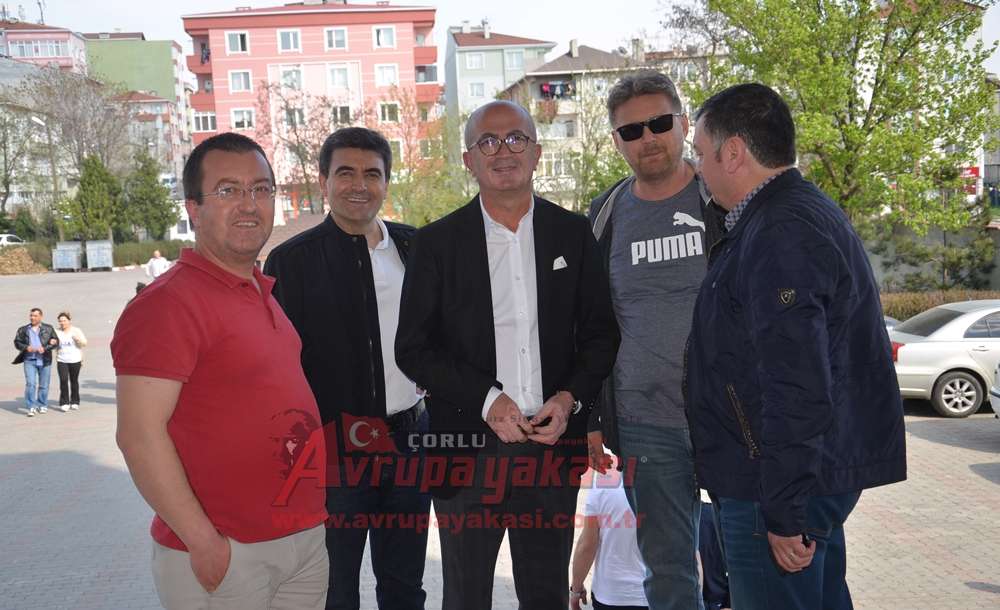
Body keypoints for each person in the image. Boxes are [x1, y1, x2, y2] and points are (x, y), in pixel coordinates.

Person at [686, 83, 906, 610]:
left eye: (700, 152)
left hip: (771, 489)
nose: (697, 168)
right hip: (790, 482)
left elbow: (797, 382)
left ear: (733, 152)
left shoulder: (780, 229)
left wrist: (784, 510)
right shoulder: (788, 215)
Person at [395, 100, 620, 610]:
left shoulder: (573, 233)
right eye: (488, 142)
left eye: (516, 138)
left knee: (545, 596)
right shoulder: (436, 243)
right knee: (466, 596)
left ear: (536, 153)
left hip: (550, 448)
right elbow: (413, 348)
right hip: (466, 451)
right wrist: (486, 399)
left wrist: (569, 399)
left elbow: (601, 335)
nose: (504, 151)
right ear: (469, 159)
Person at [111, 132, 329, 610]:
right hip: (229, 554)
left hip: (301, 540)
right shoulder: (167, 304)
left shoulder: (261, 291)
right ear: (193, 207)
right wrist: (203, 542)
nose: (249, 204)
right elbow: (138, 436)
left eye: (261, 189)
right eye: (228, 190)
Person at [264, 127, 430, 610]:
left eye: (372, 174)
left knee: (404, 588)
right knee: (334, 591)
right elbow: (277, 366)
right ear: (324, 181)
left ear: (386, 182)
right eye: (346, 173)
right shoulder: (291, 261)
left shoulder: (416, 248)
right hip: (334, 454)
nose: (359, 185)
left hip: (409, 444)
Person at [586, 70, 725, 610]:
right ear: (617, 142)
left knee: (753, 561)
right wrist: (591, 416)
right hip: (644, 423)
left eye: (660, 123)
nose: (648, 138)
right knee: (667, 575)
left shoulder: (723, 200)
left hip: (731, 417)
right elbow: (589, 324)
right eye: (631, 130)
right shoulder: (604, 215)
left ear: (684, 124)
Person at [570, 458, 649, 610]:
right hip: (656, 594)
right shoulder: (668, 482)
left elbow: (587, 545)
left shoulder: (604, 481)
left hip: (610, 595)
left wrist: (576, 590)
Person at [13, 307, 58, 417]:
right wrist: (26, 347)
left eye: (35, 316)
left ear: (41, 317)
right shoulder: (23, 330)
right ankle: (31, 406)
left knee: (44, 385)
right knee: (30, 384)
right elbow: (17, 342)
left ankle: (42, 404)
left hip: (45, 360)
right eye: (31, 315)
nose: (32, 318)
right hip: (29, 361)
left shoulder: (48, 328)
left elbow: (56, 342)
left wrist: (46, 348)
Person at [54, 311, 87, 412]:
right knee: (63, 380)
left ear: (69, 321)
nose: (62, 323)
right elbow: (52, 344)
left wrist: (78, 340)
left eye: (64, 321)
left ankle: (75, 401)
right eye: (60, 321)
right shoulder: (56, 332)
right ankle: (64, 402)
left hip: (75, 360)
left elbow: (84, 343)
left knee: (74, 380)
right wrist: (53, 343)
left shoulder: (76, 330)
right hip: (61, 359)